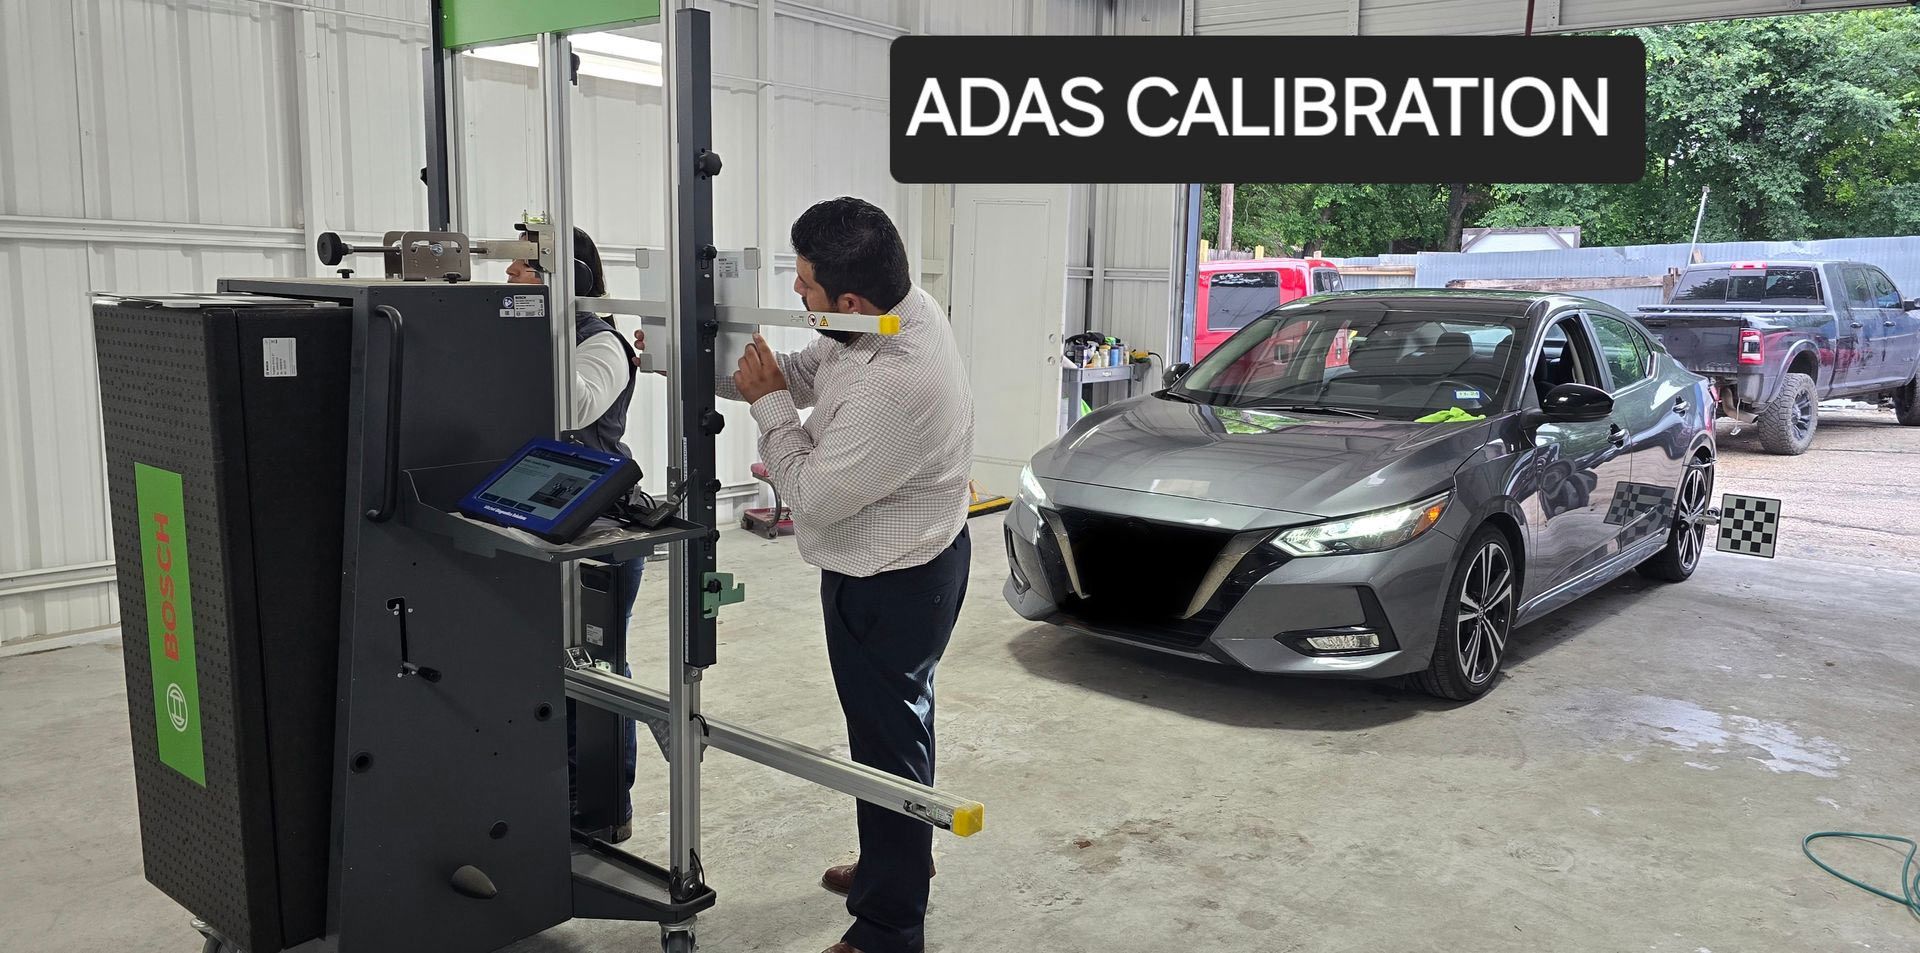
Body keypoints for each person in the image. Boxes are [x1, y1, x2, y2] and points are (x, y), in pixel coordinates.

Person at [714, 197, 975, 953]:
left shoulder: (896, 383)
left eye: (804, 284)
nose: (797, 293)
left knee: (887, 741)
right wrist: (732, 372)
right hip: (910, 557)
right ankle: (903, 858)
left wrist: (765, 406)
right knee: (894, 729)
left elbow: (812, 498)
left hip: (892, 579)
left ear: (851, 298)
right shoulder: (893, 310)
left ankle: (890, 926)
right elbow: (806, 369)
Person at [506, 228, 643, 842]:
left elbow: (577, 405)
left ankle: (605, 804)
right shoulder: (527, 335)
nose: (512, 279)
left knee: (598, 665)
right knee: (541, 662)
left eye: (526, 270)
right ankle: (553, 794)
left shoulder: (603, 343)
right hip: (541, 517)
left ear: (574, 282)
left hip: (599, 527)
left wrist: (540, 327)